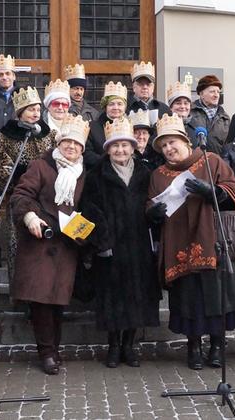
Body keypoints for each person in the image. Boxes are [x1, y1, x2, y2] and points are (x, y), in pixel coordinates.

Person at [147, 113, 235, 370]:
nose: (169, 149)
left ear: (185, 141)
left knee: (214, 296)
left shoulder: (209, 160)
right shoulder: (158, 174)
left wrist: (212, 191)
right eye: (164, 145)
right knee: (188, 297)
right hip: (178, 241)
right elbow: (150, 203)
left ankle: (216, 345)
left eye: (173, 142)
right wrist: (152, 212)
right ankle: (193, 346)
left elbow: (234, 189)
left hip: (210, 239)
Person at [80, 116, 161, 368]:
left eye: (125, 145)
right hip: (111, 245)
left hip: (138, 246)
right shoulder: (96, 175)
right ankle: (113, 346)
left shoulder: (145, 173)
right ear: (107, 149)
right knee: (113, 298)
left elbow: (152, 204)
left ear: (133, 147)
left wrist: (154, 218)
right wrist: (101, 238)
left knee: (137, 297)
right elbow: (88, 208)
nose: (120, 150)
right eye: (115, 146)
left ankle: (129, 345)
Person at [9, 115, 87, 375]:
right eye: (67, 143)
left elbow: (87, 206)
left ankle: (54, 347)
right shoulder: (40, 166)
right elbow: (20, 195)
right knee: (41, 300)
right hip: (40, 241)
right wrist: (30, 216)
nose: (72, 148)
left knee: (58, 301)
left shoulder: (83, 173)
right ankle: (47, 353)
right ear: (59, 143)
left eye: (77, 145)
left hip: (67, 244)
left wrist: (84, 228)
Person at [0, 86, 55, 278]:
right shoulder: (4, 137)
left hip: (46, 200)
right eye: (30, 109)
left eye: (37, 109)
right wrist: (26, 178)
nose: (35, 113)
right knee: (20, 249)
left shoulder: (49, 135)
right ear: (20, 112)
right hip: (19, 200)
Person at [84, 81, 128, 168]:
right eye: (111, 104)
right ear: (105, 107)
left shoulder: (131, 127)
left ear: (125, 107)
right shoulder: (92, 127)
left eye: (120, 104)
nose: (116, 107)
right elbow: (87, 154)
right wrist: (108, 164)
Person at [189, 75, 230, 154]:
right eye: (212, 92)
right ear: (201, 94)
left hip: (217, 162)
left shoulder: (225, 117)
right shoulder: (190, 112)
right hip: (195, 162)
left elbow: (228, 145)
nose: (216, 95)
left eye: (218, 92)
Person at [167, 81, 199, 148]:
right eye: (178, 103)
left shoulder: (197, 127)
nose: (182, 106)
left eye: (186, 103)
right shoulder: (165, 126)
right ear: (171, 107)